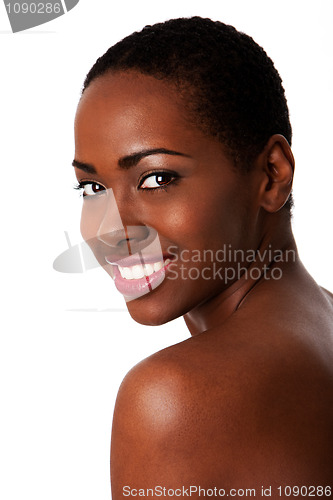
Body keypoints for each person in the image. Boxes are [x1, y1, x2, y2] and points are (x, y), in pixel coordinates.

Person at [73, 17, 333, 498]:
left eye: (157, 178)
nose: (110, 231)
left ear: (272, 175)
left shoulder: (172, 395)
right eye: (92, 187)